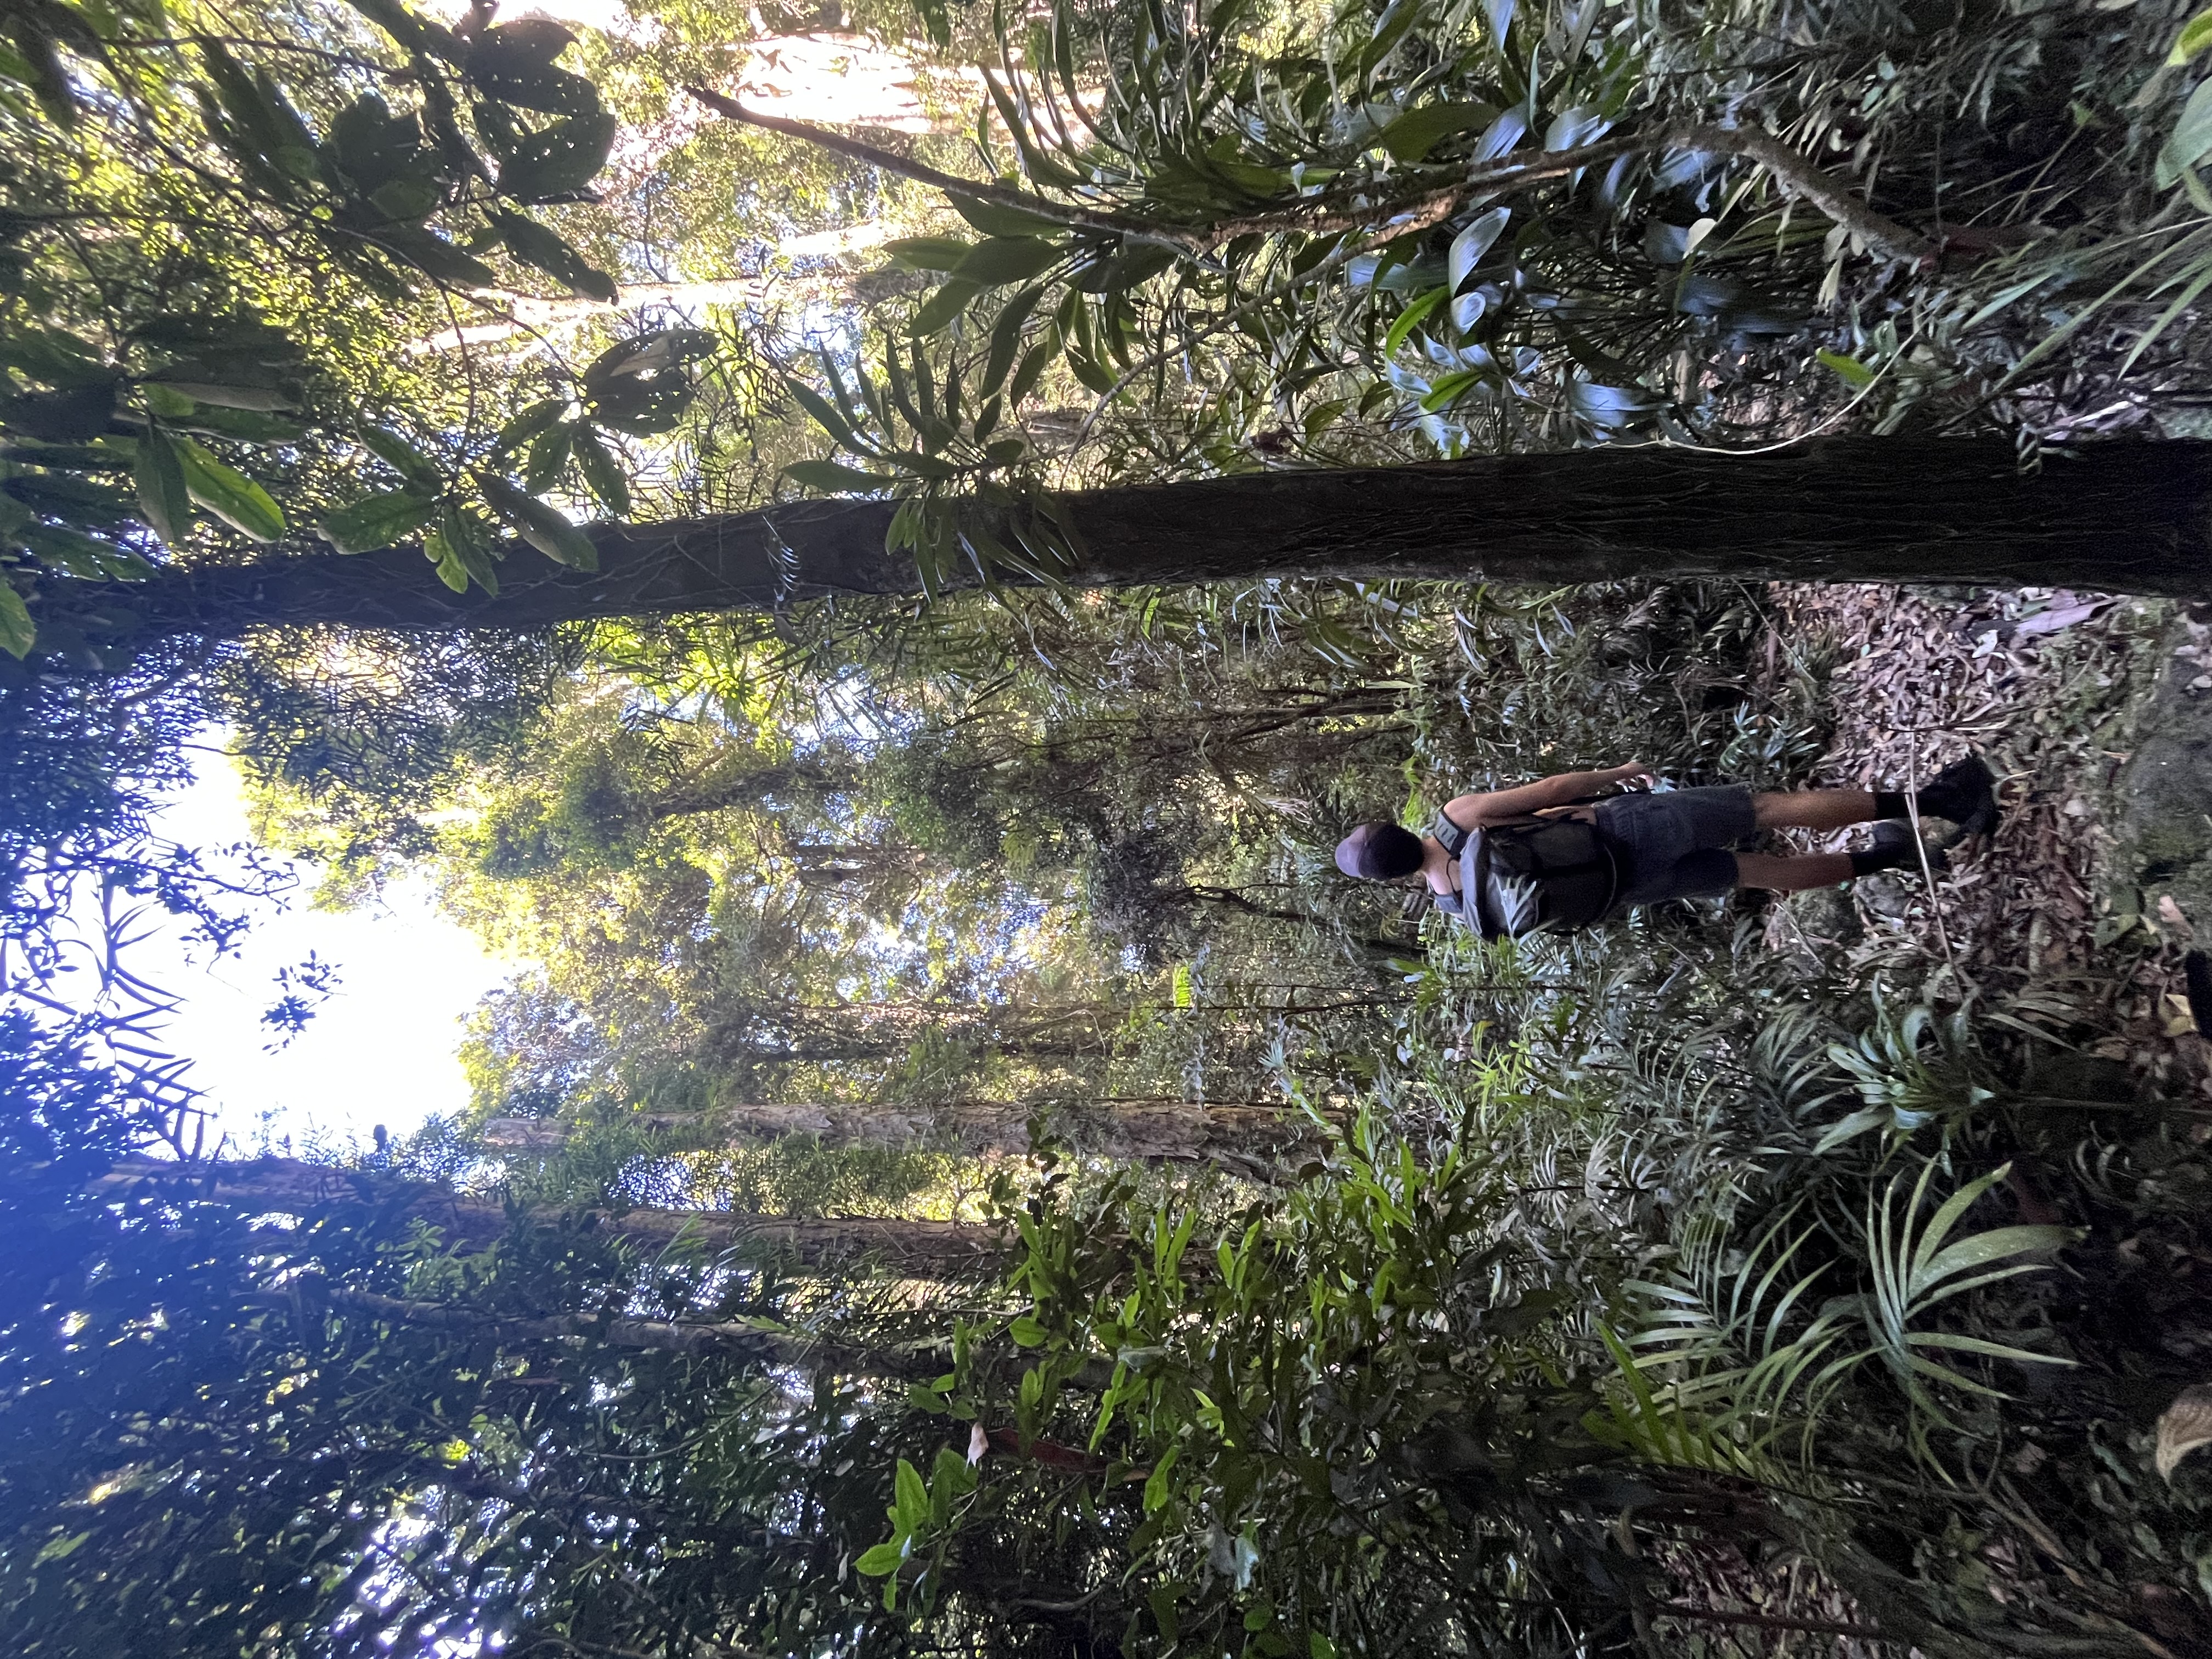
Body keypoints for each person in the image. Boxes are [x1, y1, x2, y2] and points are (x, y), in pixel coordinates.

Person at [1333, 757, 1999, 936]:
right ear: (1395, 828)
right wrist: (1621, 775)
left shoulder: (1456, 907)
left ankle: (1896, 856)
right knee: (1761, 808)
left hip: (1627, 887)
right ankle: (1940, 803)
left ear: (1393, 878)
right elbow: (1554, 788)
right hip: (1625, 828)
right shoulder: (1456, 820)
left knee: (1759, 872)